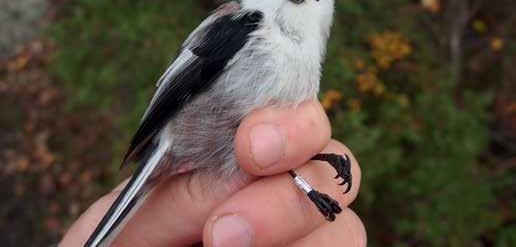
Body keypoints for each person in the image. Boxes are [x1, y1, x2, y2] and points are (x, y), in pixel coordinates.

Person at [60, 101, 366, 246]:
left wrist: (310, 173)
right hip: (188, 134)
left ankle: (307, 185)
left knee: (265, 157)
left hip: (229, 156)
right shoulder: (248, 25)